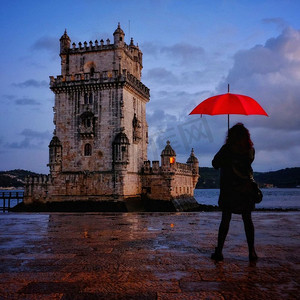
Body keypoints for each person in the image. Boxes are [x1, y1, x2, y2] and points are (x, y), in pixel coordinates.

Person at [211, 123, 258, 261]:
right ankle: (252, 252)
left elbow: (215, 163)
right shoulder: (250, 150)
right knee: (247, 220)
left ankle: (219, 251)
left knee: (225, 219)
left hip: (229, 189)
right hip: (246, 189)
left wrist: (226, 152)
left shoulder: (227, 149)